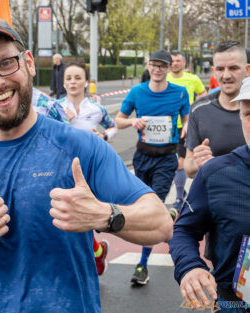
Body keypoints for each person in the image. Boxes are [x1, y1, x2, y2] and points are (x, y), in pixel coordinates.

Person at [0, 17, 173, 313]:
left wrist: (105, 214)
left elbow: (160, 223)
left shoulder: (79, 147)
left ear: (29, 63)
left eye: (6, 63)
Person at [169, 76, 250, 313]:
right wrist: (190, 267)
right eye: (248, 115)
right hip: (235, 304)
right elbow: (183, 230)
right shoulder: (216, 173)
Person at [115, 49, 190, 286]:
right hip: (143, 156)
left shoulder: (180, 93)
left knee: (151, 208)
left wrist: (187, 129)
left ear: (169, 68)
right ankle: (169, 213)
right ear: (148, 67)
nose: (158, 69)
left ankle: (142, 265)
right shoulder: (137, 92)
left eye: (163, 66)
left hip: (167, 157)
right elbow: (118, 120)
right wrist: (132, 121)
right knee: (140, 204)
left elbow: (187, 119)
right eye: (154, 65)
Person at [58, 61, 117, 275]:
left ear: (86, 82)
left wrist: (103, 136)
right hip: (60, 169)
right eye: (69, 78)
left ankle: (93, 253)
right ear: (63, 83)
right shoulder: (56, 108)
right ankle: (95, 252)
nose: (73, 82)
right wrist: (65, 120)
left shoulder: (96, 109)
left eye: (77, 78)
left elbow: (113, 126)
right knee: (66, 217)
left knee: (82, 215)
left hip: (89, 169)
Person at [184, 41, 249, 179]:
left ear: (247, 70)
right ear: (214, 71)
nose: (226, 75)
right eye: (220, 69)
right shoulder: (199, 110)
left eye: (233, 68)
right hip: (214, 197)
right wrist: (198, 162)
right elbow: (188, 169)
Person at [166, 51, 207, 211]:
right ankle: (179, 189)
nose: (175, 63)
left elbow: (203, 93)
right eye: (172, 61)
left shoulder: (193, 79)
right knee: (167, 162)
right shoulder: (165, 78)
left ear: (184, 63)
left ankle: (178, 197)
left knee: (180, 162)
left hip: (185, 126)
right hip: (166, 126)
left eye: (178, 61)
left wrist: (195, 110)